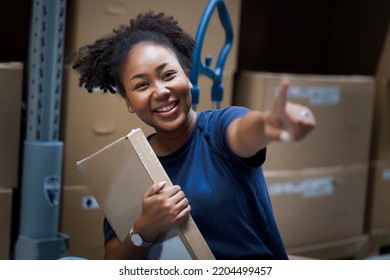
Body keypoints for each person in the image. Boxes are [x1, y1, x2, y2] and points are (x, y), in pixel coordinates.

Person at [72, 12, 316, 260]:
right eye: (142, 85)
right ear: (129, 102)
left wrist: (270, 122)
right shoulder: (130, 169)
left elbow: (247, 131)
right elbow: (113, 263)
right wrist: (145, 228)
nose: (160, 91)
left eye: (168, 75)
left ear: (186, 76)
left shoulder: (219, 130)